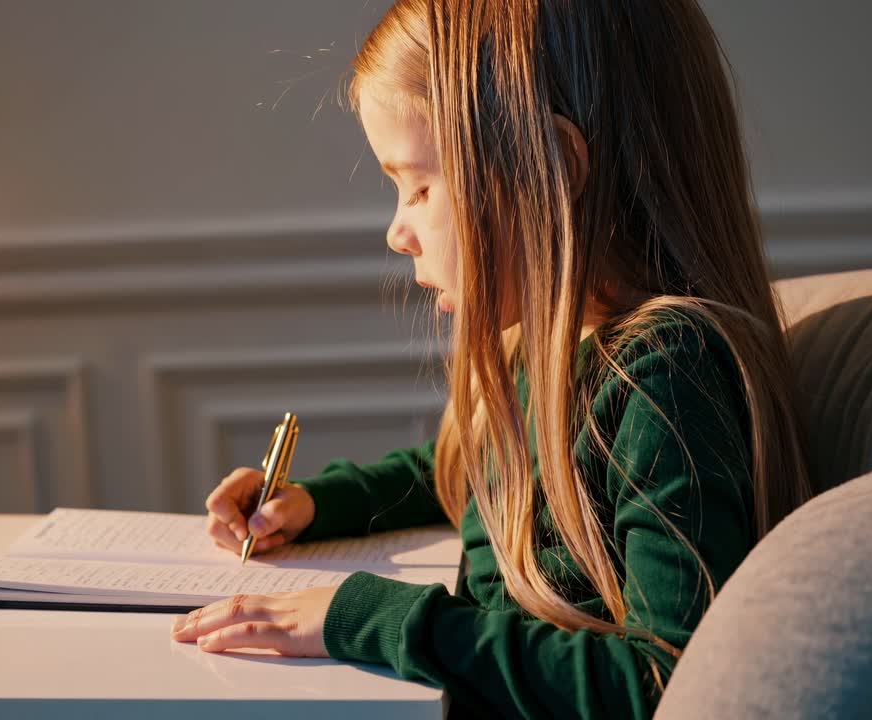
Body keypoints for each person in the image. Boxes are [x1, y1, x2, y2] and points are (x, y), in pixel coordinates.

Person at [172, 0, 814, 716]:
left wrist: (381, 617)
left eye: (418, 187)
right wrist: (320, 502)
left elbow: (667, 683)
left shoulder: (664, 374)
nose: (397, 232)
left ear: (553, 168)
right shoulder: (548, 344)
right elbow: (472, 473)